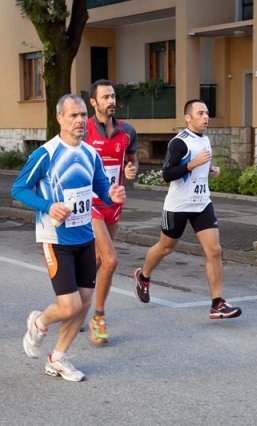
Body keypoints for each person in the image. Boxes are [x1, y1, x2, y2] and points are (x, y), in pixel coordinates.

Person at [11, 94, 126, 382]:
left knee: (84, 303)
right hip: (56, 239)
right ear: (59, 118)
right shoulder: (46, 154)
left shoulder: (90, 154)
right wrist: (47, 206)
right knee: (69, 306)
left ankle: (57, 358)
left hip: (85, 237)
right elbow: (18, 189)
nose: (79, 121)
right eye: (72, 115)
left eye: (81, 115)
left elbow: (101, 188)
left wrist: (111, 196)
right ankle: (39, 321)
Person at [133, 99, 242, 320]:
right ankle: (143, 276)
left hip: (202, 203)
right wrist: (193, 164)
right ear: (188, 118)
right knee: (165, 247)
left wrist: (209, 168)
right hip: (178, 206)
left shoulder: (205, 138)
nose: (205, 117)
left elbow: (196, 164)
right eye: (200, 113)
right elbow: (166, 174)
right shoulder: (178, 142)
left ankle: (217, 303)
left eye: (207, 113)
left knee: (214, 251)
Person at [83, 79, 138, 345]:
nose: (111, 101)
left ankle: (76, 305)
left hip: (114, 205)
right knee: (111, 260)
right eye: (105, 97)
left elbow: (132, 159)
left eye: (113, 96)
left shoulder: (127, 130)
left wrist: (131, 170)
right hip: (90, 204)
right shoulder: (84, 130)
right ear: (93, 102)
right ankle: (99, 316)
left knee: (95, 262)